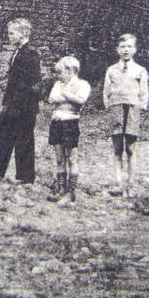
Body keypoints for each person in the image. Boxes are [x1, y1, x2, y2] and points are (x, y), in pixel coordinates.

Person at [0, 18, 42, 184]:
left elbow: (29, 83)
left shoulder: (31, 53)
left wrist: (15, 104)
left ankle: (25, 177)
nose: (9, 36)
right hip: (14, 103)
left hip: (24, 105)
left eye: (12, 33)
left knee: (24, 138)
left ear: (23, 33)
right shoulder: (18, 51)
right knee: (1, 134)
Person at [103, 34, 149, 198]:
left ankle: (130, 184)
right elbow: (106, 92)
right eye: (123, 47)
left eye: (129, 47)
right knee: (117, 148)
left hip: (132, 108)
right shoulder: (111, 70)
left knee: (130, 148)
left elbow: (144, 94)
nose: (126, 50)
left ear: (134, 49)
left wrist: (140, 108)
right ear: (117, 50)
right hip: (116, 108)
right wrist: (109, 106)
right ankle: (119, 183)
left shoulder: (140, 71)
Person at [45, 55, 91, 206]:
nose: (59, 75)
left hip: (70, 123)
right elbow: (51, 99)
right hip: (56, 121)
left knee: (72, 158)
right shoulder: (58, 83)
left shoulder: (83, 84)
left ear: (71, 70)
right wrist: (68, 97)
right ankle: (61, 189)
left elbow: (80, 100)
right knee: (59, 158)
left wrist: (64, 95)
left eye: (61, 72)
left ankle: (70, 192)